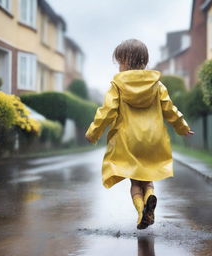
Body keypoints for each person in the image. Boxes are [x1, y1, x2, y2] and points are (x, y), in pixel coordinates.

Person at [85, 39, 194, 229]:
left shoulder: (117, 86)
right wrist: (182, 127)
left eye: (119, 62)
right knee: (147, 179)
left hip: (129, 141)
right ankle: (150, 196)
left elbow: (107, 111)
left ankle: (140, 213)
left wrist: (93, 132)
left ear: (126, 61)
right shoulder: (157, 85)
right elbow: (169, 109)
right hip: (153, 140)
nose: (118, 66)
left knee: (135, 182)